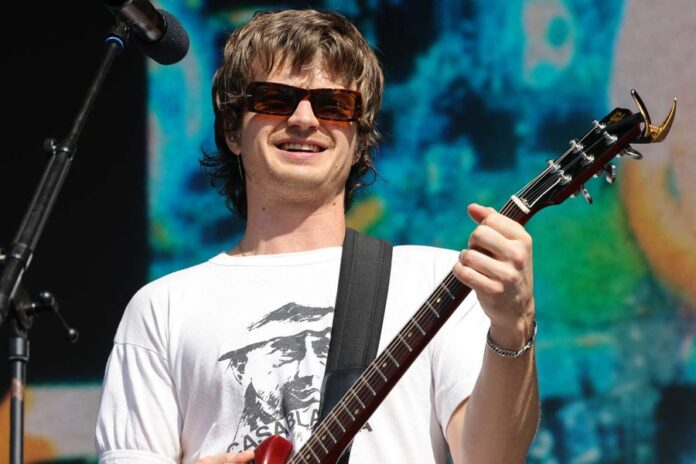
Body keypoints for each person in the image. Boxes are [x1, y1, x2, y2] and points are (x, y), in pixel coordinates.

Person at [95, 9, 539, 464]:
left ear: (360, 140)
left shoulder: (439, 280)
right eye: (275, 99)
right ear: (232, 130)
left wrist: (514, 326)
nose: (305, 119)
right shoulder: (163, 308)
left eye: (334, 105)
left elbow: (492, 458)